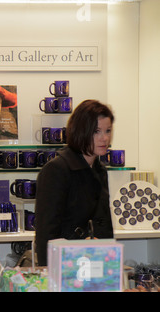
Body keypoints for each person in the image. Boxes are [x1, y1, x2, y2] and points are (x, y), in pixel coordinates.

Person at [34, 99, 115, 266]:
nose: (104, 138)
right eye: (96, 131)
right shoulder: (56, 170)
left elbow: (104, 224)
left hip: (97, 261)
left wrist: (109, 260)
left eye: (108, 131)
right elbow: (45, 234)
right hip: (66, 264)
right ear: (81, 131)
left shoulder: (100, 170)